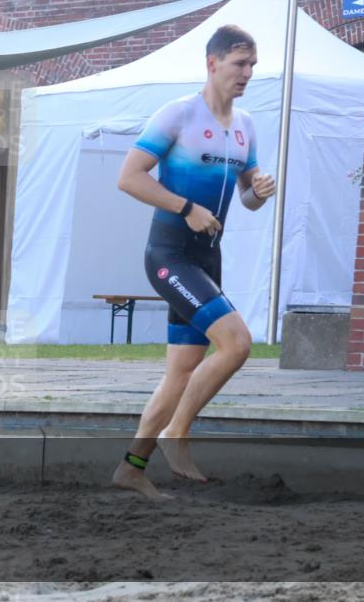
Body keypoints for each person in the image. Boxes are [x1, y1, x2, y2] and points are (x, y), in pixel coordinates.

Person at [111, 25, 276, 500]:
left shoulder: (245, 125)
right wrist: (186, 207)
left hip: (206, 257)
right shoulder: (179, 114)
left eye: (252, 65)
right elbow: (129, 178)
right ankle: (175, 434)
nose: (247, 73)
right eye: (239, 64)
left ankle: (131, 467)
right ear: (212, 63)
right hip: (170, 255)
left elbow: (246, 197)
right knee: (237, 343)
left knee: (182, 371)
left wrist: (259, 191)